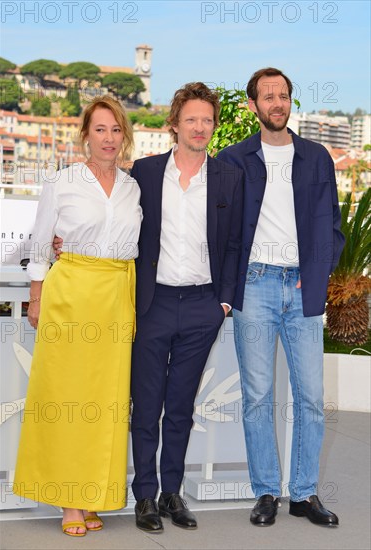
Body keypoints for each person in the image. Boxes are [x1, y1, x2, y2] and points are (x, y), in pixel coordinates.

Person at [217, 68, 345, 527]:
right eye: (268, 96)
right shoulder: (232, 160)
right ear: (252, 105)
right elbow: (221, 230)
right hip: (254, 285)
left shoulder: (316, 157)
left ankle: (304, 493)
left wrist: (317, 272)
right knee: (257, 396)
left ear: (291, 102)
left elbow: (332, 224)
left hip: (301, 288)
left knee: (311, 396)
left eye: (283, 95)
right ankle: (267, 490)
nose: (277, 103)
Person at [13, 96, 143, 537]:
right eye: (100, 129)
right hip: (71, 295)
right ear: (85, 134)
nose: (108, 138)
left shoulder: (132, 187)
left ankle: (93, 495)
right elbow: (40, 241)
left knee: (106, 405)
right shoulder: (63, 181)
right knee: (68, 400)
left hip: (116, 296)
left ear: (124, 136)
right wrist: (36, 294)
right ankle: (68, 500)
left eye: (116, 130)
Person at [130, 82, 243, 532]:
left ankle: (171, 493)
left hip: (202, 307)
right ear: (174, 124)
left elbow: (234, 243)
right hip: (152, 304)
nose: (200, 127)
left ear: (213, 127)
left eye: (207, 120)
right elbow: (117, 225)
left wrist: (224, 301)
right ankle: (143, 497)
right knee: (147, 405)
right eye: (191, 119)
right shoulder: (143, 171)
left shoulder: (229, 178)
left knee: (180, 406)